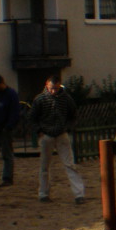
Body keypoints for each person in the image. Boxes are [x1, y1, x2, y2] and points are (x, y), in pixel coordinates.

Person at [30, 75, 86, 204]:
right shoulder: (40, 99)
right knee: (44, 165)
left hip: (61, 134)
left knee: (70, 164)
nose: (53, 91)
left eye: (56, 88)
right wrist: (39, 131)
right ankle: (43, 193)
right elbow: (32, 117)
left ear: (59, 86)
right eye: (51, 88)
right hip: (46, 134)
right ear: (47, 86)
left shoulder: (66, 99)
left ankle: (79, 194)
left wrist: (68, 128)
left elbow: (73, 115)